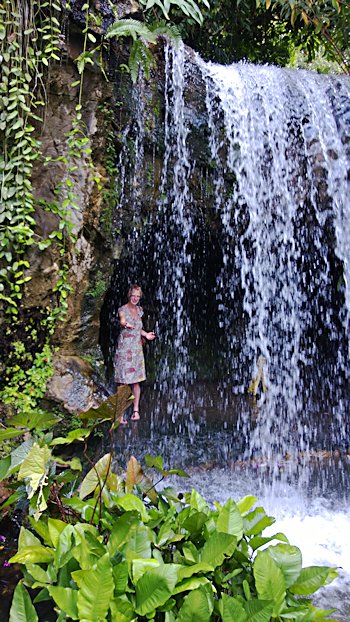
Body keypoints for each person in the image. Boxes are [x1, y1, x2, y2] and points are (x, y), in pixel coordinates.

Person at [114, 284, 156, 423]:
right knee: (122, 382)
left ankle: (136, 411)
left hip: (137, 349)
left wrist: (147, 335)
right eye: (133, 296)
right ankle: (119, 415)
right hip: (125, 349)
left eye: (138, 296)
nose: (135, 298)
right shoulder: (123, 309)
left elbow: (139, 329)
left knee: (136, 382)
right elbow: (122, 321)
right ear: (129, 295)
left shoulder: (140, 310)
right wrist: (126, 324)